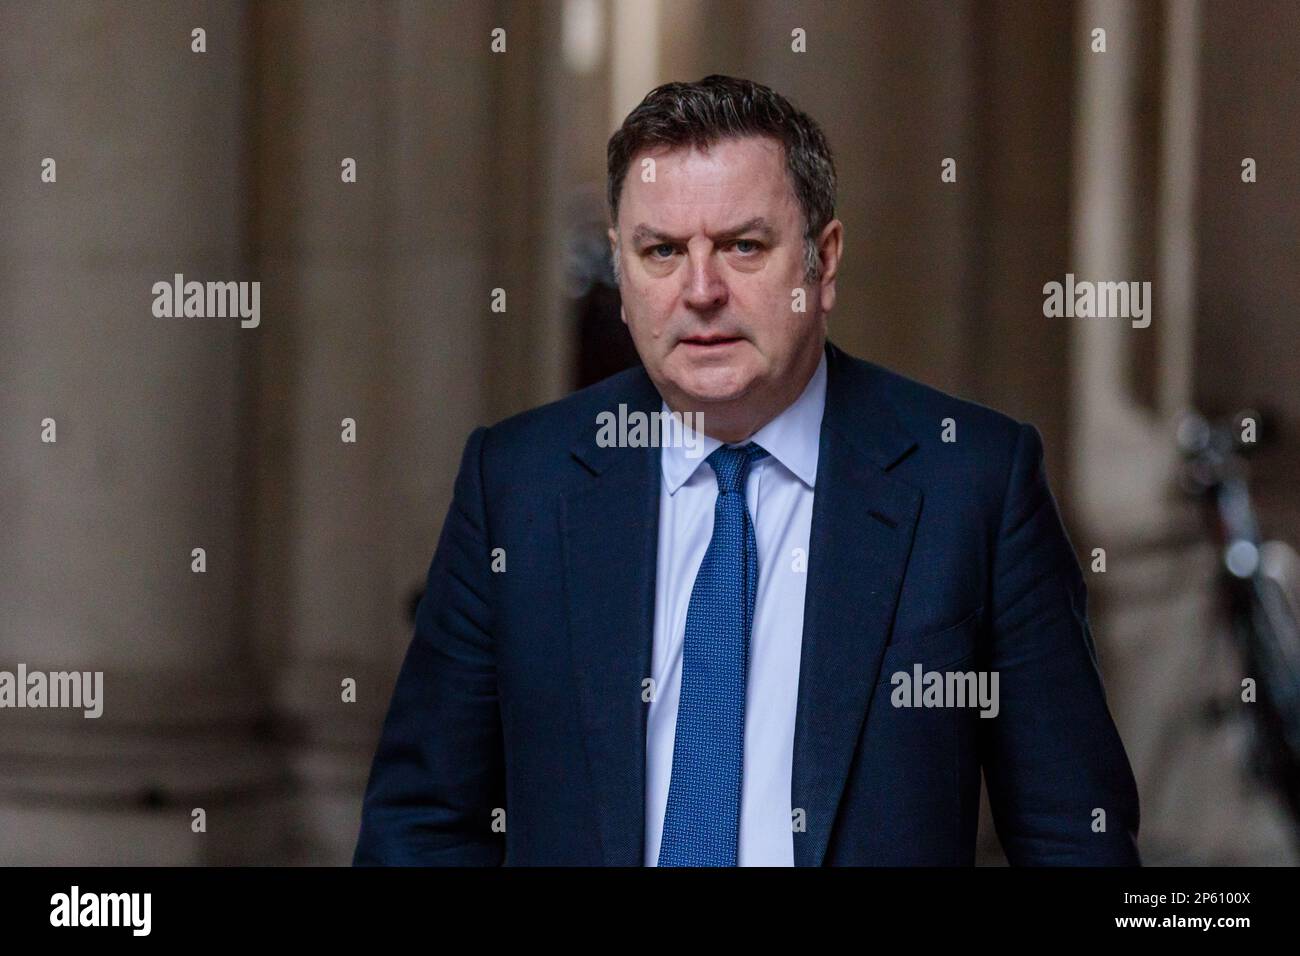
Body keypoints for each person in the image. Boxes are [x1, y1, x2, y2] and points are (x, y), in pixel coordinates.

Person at [353, 74, 1140, 866]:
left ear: (822, 263)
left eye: (743, 246)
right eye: (661, 251)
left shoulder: (972, 484)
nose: (701, 292)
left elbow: (1076, 837)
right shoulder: (518, 485)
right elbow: (422, 826)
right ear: (622, 278)